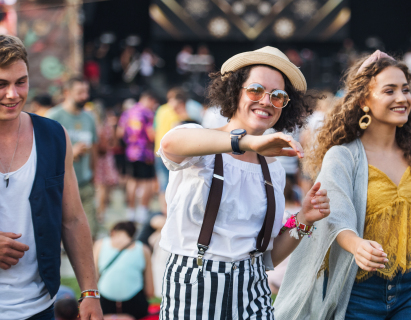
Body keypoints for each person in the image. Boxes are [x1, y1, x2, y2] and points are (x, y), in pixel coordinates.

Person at [275, 51, 411, 320]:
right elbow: (335, 218)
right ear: (364, 100)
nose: (402, 98)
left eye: (405, 90)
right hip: (357, 292)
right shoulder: (343, 156)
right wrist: (356, 245)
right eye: (389, 90)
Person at [157, 46, 330, 318]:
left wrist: (304, 218)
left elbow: (268, 256)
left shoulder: (273, 169)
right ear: (235, 91)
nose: (266, 101)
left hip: (253, 289)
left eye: (278, 96)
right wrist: (247, 141)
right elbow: (170, 144)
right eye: (255, 90)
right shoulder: (199, 141)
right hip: (195, 288)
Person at [0, 35, 102, 319]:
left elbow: (72, 218)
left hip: (38, 304)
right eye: (1, 84)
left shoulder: (53, 135)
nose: (13, 94)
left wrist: (90, 292)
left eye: (21, 82)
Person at [47, 76, 99, 238]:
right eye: (80, 92)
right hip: (60, 185)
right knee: (61, 233)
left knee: (91, 232)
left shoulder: (89, 117)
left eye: (86, 91)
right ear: (67, 92)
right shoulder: (54, 116)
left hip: (84, 184)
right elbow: (44, 154)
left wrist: (93, 175)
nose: (85, 96)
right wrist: (70, 153)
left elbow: (94, 149)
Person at [93, 221, 153, 319]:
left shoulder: (99, 245)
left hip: (104, 306)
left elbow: (93, 279)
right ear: (133, 235)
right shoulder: (143, 249)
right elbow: (150, 291)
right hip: (135, 308)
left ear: (113, 232)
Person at [118, 91, 158, 224]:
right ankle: (142, 211)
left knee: (132, 181)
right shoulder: (147, 113)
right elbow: (151, 134)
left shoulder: (128, 112)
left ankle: (130, 212)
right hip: (145, 153)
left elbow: (120, 132)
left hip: (130, 152)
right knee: (146, 182)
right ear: (149, 100)